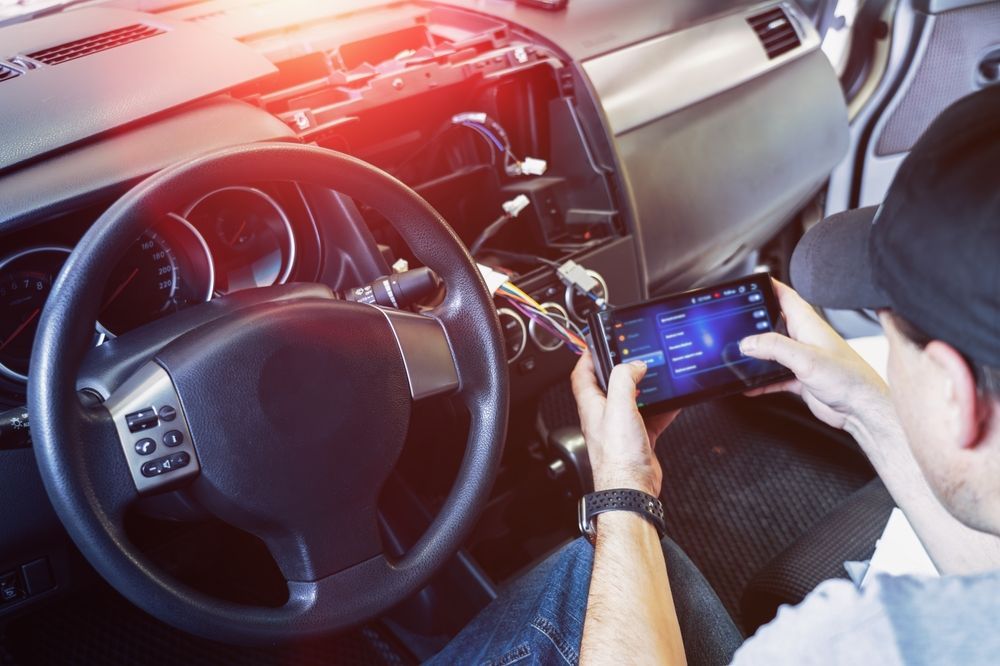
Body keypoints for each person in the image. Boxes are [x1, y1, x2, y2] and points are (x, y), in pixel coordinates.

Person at [428, 86, 1000, 664]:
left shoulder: (857, 640)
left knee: (583, 569)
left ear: (958, 396)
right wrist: (863, 407)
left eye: (891, 334)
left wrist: (622, 489)